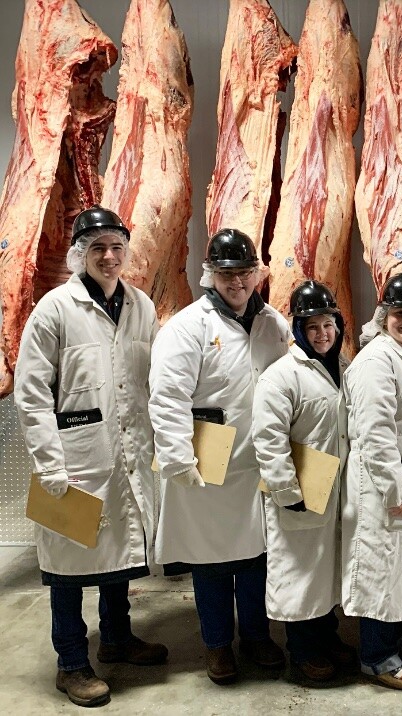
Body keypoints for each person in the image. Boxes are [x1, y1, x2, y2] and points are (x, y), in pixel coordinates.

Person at [15, 205, 166, 707]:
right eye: (97, 247)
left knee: (119, 552)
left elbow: (149, 382)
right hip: (72, 459)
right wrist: (48, 462)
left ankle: (118, 639)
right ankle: (72, 663)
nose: (108, 256)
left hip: (126, 453)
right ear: (79, 253)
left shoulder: (142, 305)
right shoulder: (54, 309)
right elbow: (32, 393)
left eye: (116, 247)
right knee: (68, 567)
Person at [149, 229, 290, 685]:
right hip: (204, 461)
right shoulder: (188, 327)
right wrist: (176, 458)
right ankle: (216, 645)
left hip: (259, 461)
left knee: (256, 557)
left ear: (257, 274)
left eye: (245, 273)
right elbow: (167, 396)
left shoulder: (273, 323)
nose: (238, 283)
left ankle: (256, 636)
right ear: (212, 274)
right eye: (228, 275)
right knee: (210, 561)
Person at [340, 272, 402, 691]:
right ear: (384, 316)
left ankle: (400, 640)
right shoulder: (376, 361)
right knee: (381, 569)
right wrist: (394, 491)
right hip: (385, 489)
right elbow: (374, 432)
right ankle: (377, 657)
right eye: (401, 313)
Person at [252, 280, 356, 682]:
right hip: (299, 492)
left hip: (333, 488)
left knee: (327, 569)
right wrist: (285, 491)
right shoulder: (282, 376)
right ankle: (303, 651)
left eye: (328, 324)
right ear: (298, 330)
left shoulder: (346, 367)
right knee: (300, 574)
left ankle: (327, 638)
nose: (322, 334)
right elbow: (268, 437)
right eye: (312, 327)